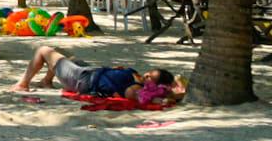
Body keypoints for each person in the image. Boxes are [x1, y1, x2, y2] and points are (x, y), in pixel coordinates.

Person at [12, 45, 184, 103]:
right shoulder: (137, 77)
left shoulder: (135, 89)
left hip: (83, 79)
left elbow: (145, 97)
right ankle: (46, 81)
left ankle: (23, 84)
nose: (146, 76)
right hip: (90, 72)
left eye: (150, 78)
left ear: (153, 85)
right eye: (148, 73)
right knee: (65, 54)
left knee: (43, 50)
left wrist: (169, 94)